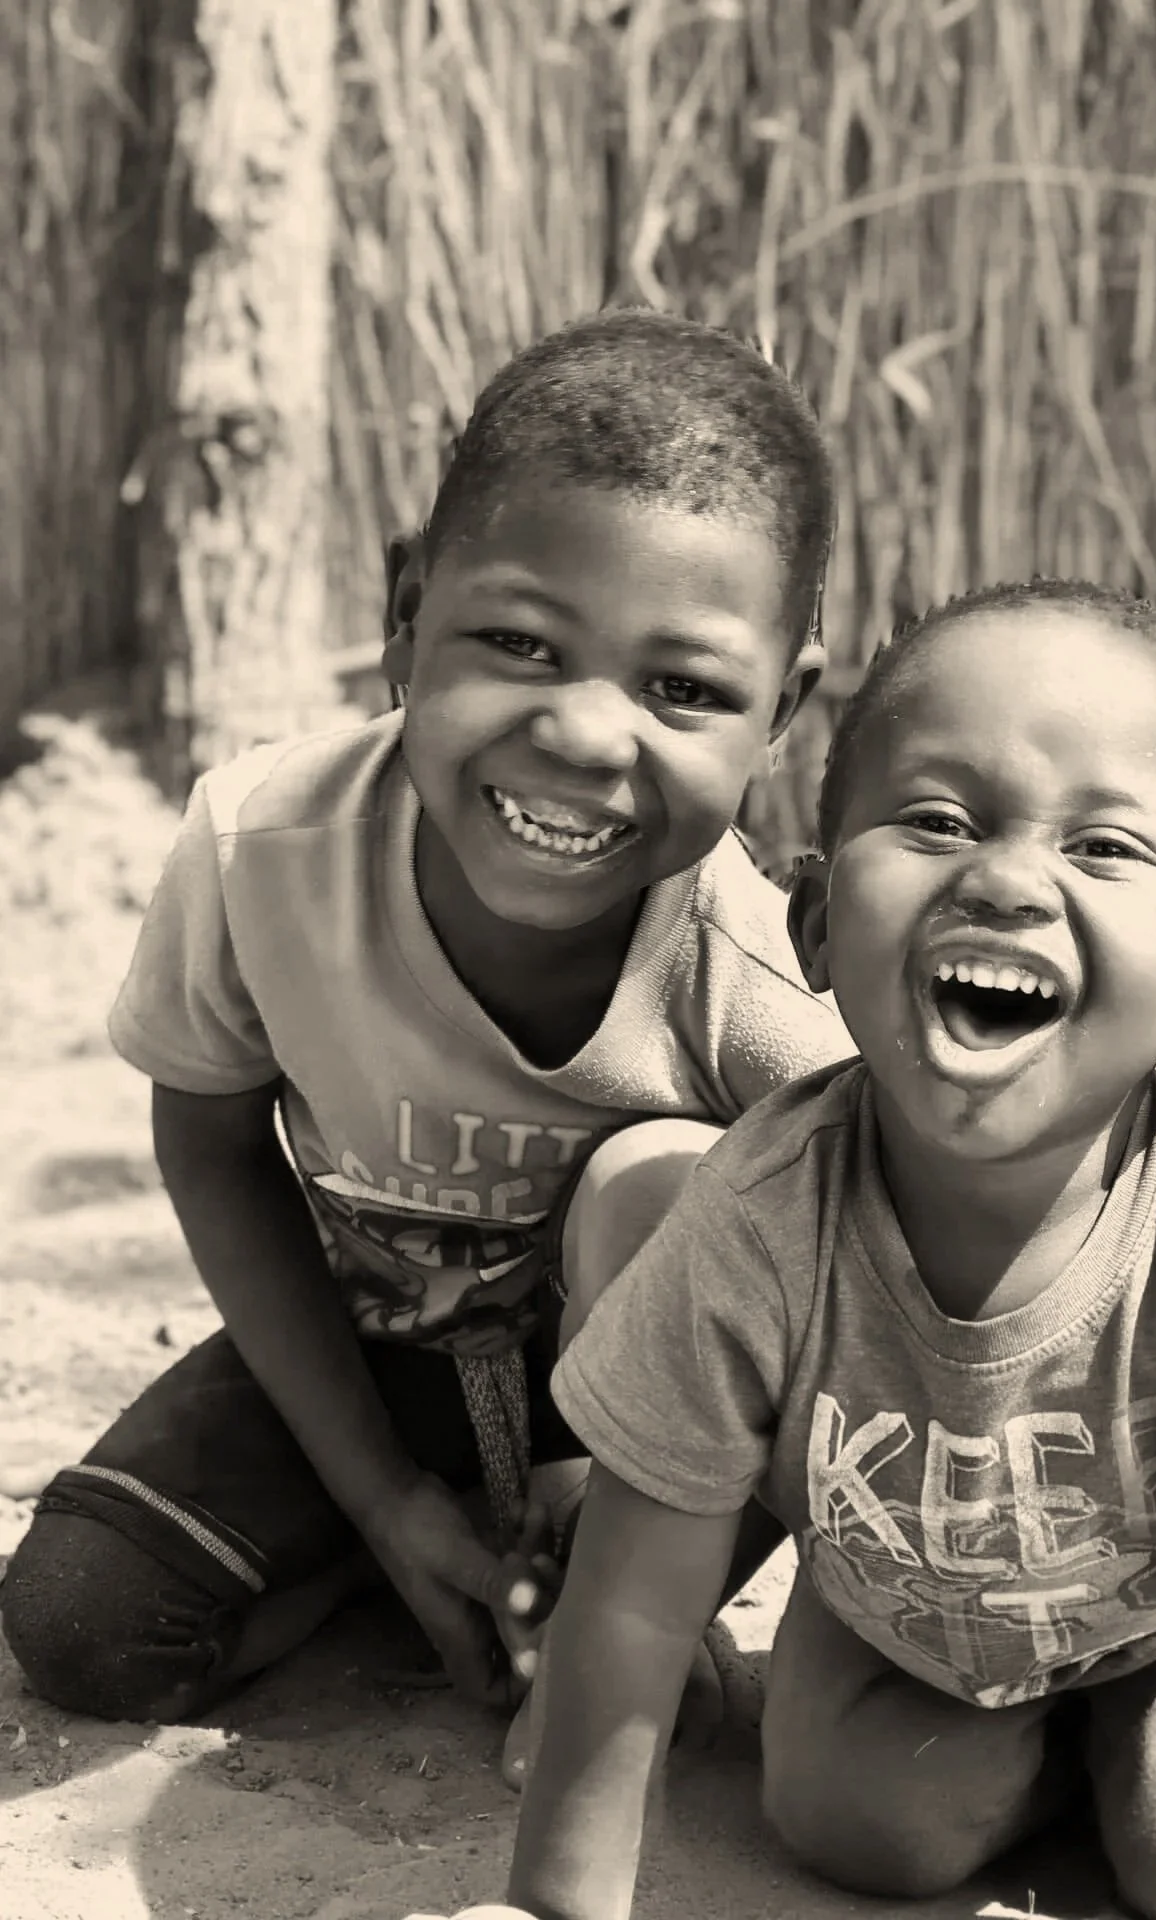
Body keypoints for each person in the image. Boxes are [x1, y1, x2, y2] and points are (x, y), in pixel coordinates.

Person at [446, 579, 1156, 1920]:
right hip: (917, 1628)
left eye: (1106, 848)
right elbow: (641, 1605)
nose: (1004, 879)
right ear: (819, 924)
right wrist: (552, 1905)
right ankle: (1066, 1766)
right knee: (854, 1827)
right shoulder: (758, 1213)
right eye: (938, 820)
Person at [0, 309, 855, 1751]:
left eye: (683, 689)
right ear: (406, 614)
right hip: (365, 1363)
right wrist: (385, 1504)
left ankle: (592, 1599)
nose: (585, 737)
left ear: (782, 712)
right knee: (80, 1621)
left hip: (626, 1427)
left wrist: (651, 1581)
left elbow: (853, 1300)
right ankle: (411, 1556)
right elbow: (210, 1146)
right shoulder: (262, 850)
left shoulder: (744, 971)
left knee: (679, 1185)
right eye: (518, 644)